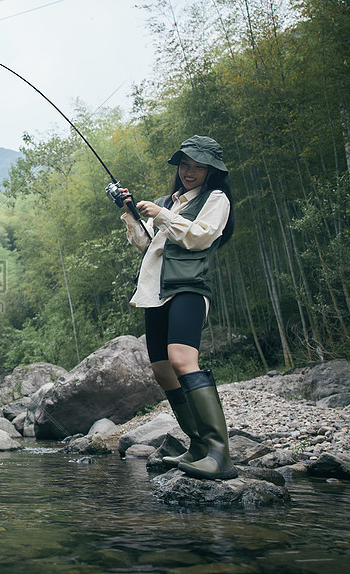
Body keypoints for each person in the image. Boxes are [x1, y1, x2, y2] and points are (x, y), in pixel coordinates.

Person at [120, 135, 237, 480]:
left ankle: (220, 454)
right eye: (185, 164)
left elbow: (201, 235)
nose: (190, 171)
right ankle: (199, 445)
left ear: (211, 171)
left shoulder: (216, 199)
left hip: (188, 288)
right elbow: (146, 244)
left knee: (183, 361)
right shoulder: (167, 202)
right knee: (161, 369)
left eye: (198, 166)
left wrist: (162, 214)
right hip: (155, 293)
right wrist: (130, 212)